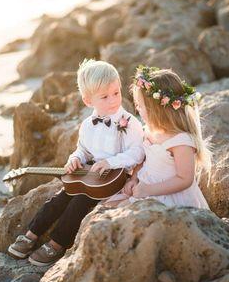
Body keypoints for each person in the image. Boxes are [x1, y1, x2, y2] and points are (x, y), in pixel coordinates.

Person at [8, 59, 144, 266]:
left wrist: (111, 162)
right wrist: (75, 159)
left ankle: (56, 244)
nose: (113, 100)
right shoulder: (87, 125)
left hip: (114, 179)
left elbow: (138, 152)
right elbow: (83, 150)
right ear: (89, 101)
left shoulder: (129, 123)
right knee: (59, 198)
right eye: (105, 97)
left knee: (78, 203)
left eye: (116, 93)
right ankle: (31, 234)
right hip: (92, 176)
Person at [107, 65, 212, 209]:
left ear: (155, 110)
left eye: (140, 105)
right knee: (105, 207)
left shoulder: (181, 141)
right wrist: (133, 179)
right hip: (143, 188)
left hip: (169, 197)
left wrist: (148, 190)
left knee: (117, 211)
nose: (137, 109)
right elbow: (142, 160)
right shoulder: (149, 131)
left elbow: (184, 179)